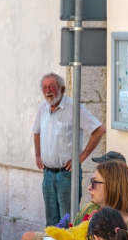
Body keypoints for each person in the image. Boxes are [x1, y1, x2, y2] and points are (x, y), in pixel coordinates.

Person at [18, 159, 128, 240]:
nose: (89, 187)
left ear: (113, 186)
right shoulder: (91, 208)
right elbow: (72, 239)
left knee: (28, 239)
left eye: (94, 182)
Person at [32, 72, 105, 227]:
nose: (48, 91)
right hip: (48, 174)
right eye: (45, 87)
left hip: (67, 174)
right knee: (51, 223)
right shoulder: (42, 108)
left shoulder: (74, 107)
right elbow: (37, 131)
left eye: (52, 86)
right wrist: (38, 155)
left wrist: (81, 156)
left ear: (62, 89)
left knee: (69, 220)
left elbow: (99, 130)